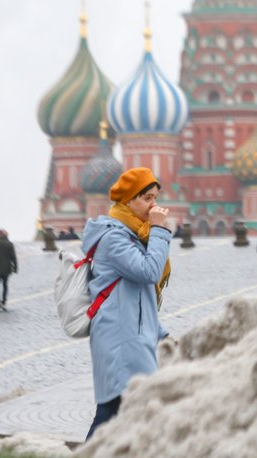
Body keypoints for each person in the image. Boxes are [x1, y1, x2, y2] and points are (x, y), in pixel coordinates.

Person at [82, 167, 172, 441]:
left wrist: (161, 333)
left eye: (155, 198)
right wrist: (158, 230)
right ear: (128, 201)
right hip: (119, 340)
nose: (153, 205)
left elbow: (138, 297)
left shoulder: (135, 235)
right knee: (113, 413)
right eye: (146, 198)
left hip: (133, 338)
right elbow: (149, 272)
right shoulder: (113, 238)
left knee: (122, 414)